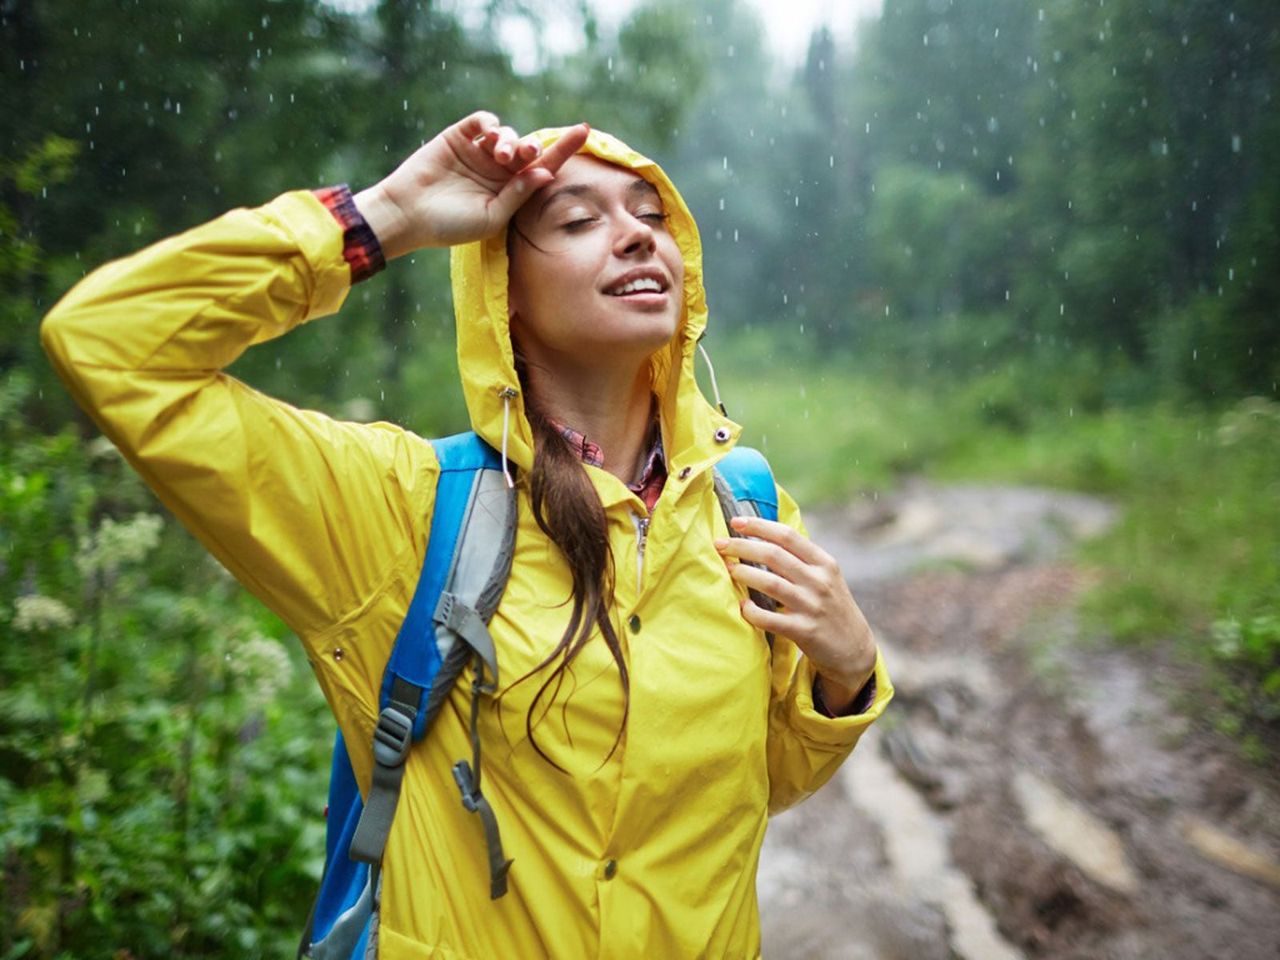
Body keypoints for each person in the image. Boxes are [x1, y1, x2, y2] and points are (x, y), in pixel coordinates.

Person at [41, 111, 893, 958]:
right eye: (580, 219)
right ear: (503, 293)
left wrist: (847, 674)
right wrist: (383, 217)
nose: (637, 236)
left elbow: (752, 786)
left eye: (650, 213)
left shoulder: (745, 502)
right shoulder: (399, 512)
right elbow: (111, 344)